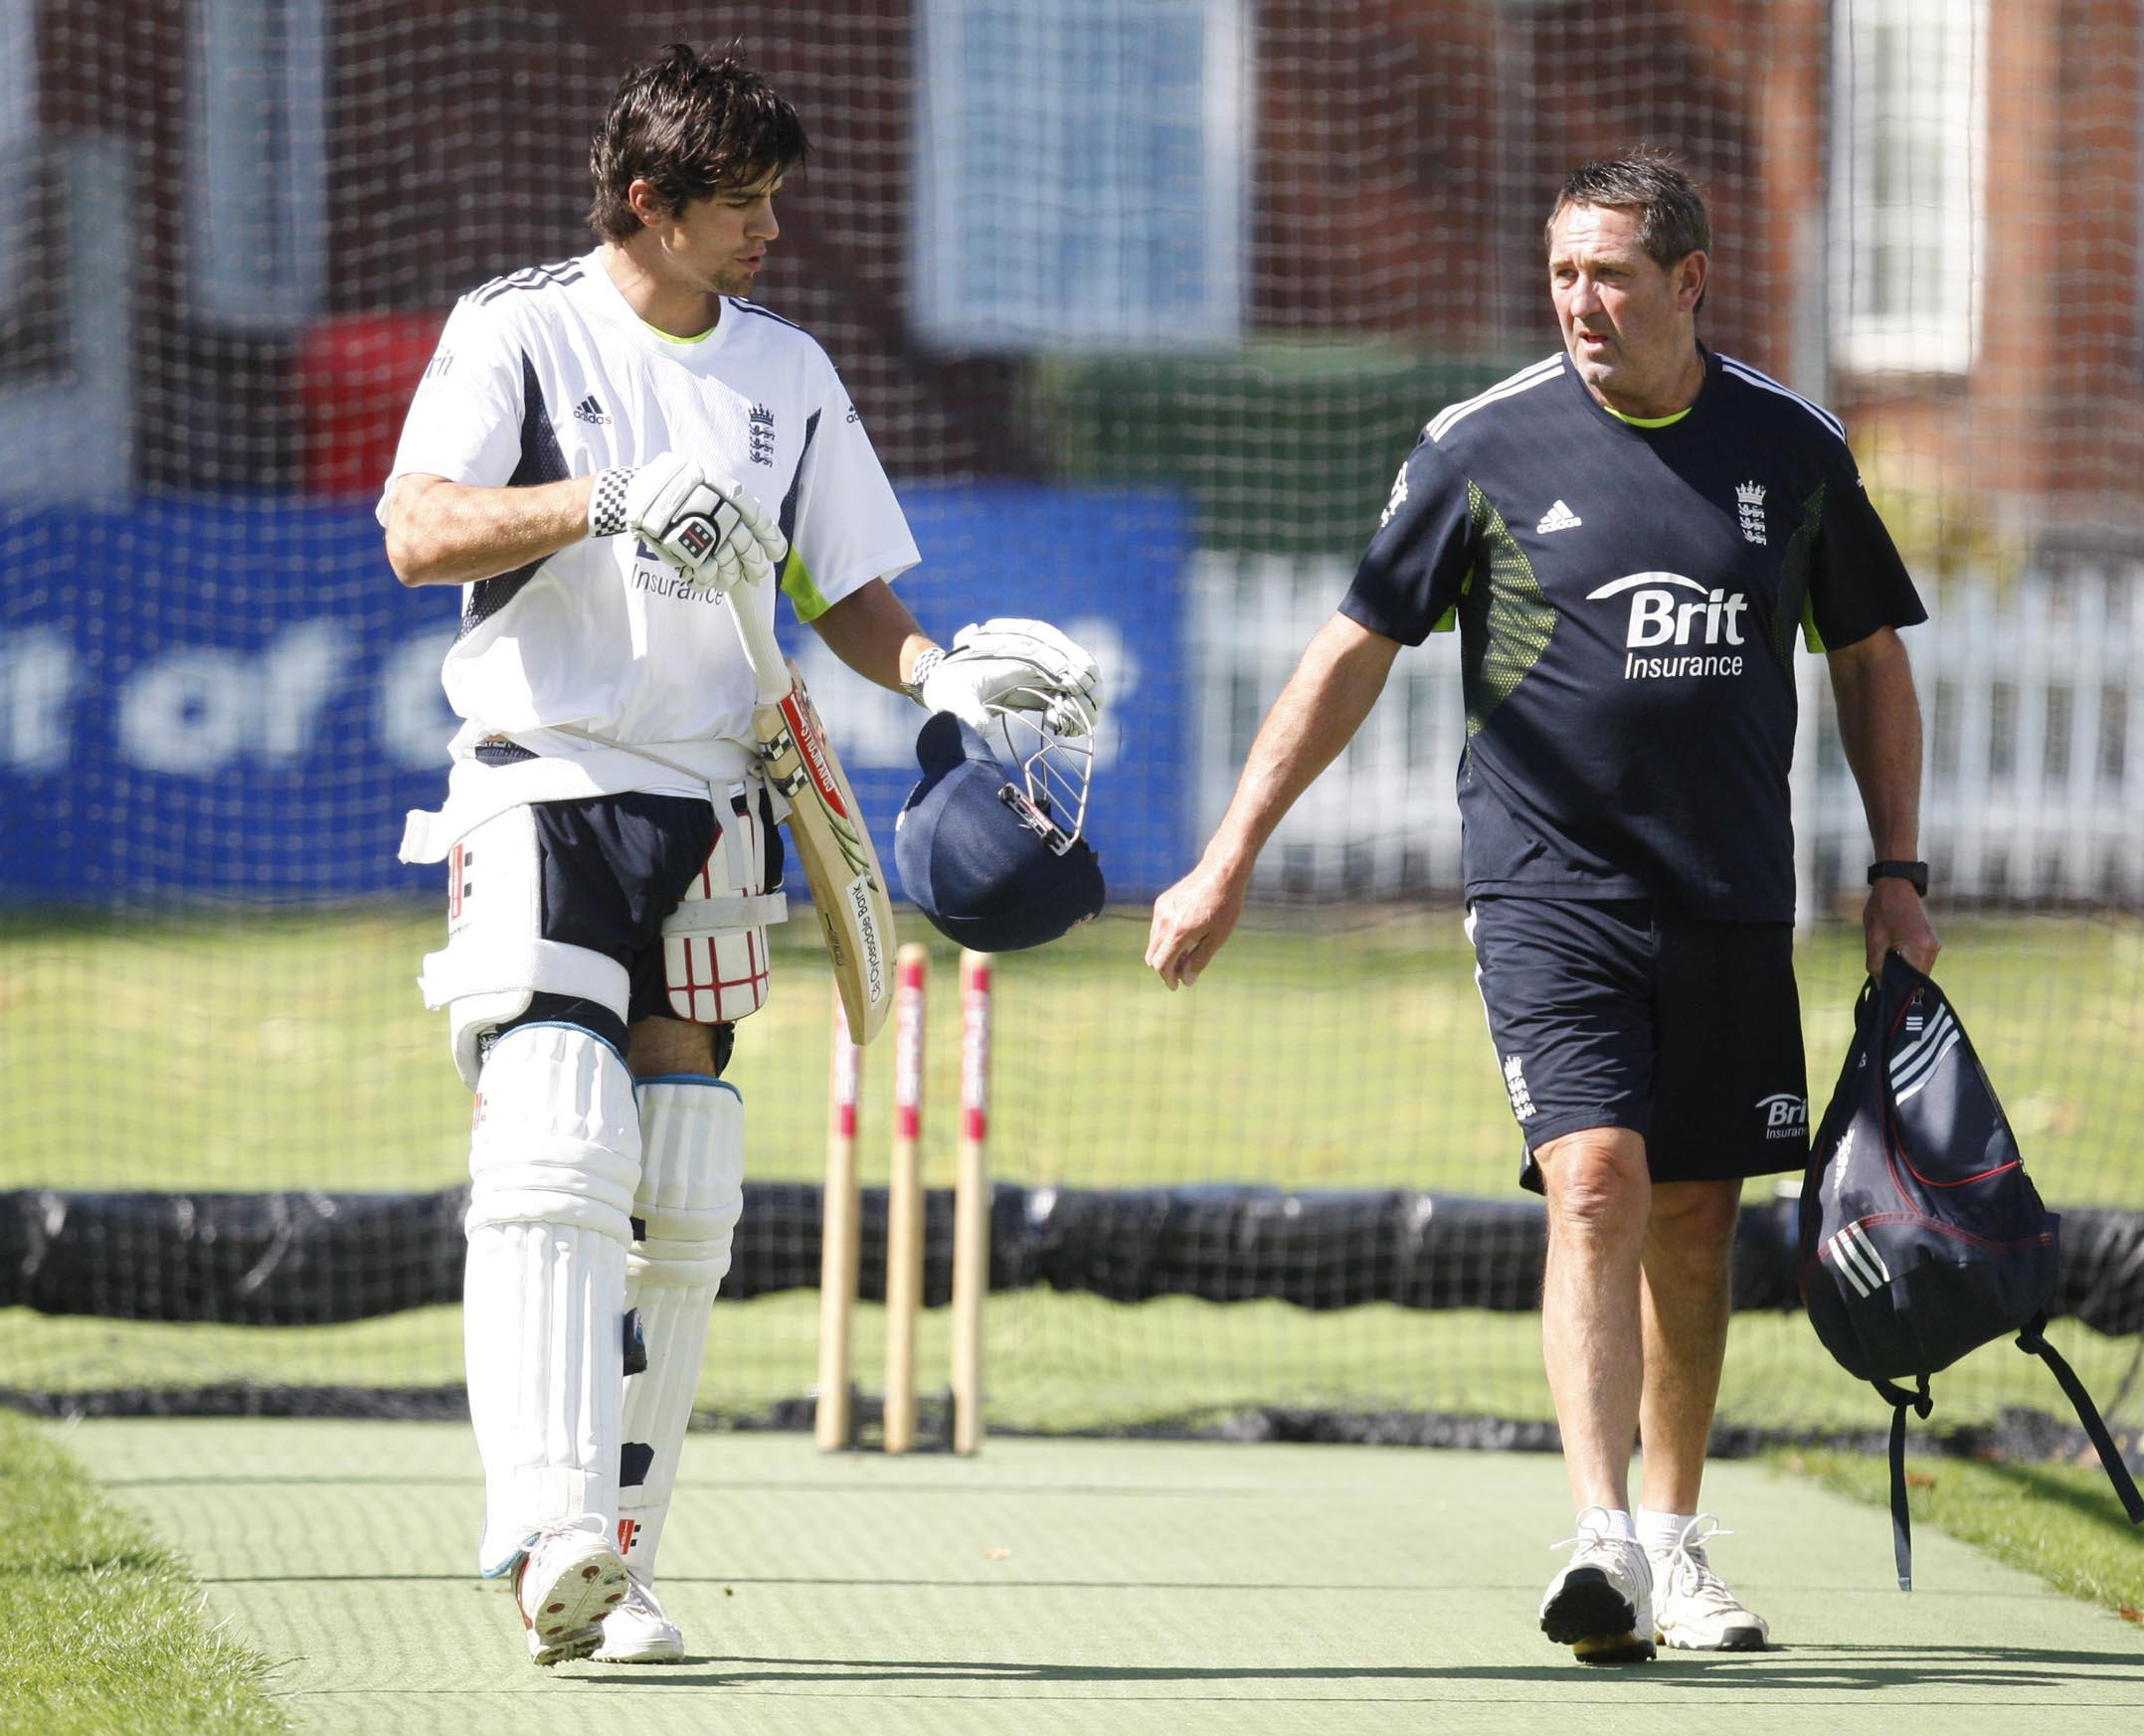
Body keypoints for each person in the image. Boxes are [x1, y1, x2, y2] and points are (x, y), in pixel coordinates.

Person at [1147, 150, 1938, 1664]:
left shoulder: (1793, 448)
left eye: (1612, 276)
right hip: (1545, 890)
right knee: (1594, 1180)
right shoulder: (1480, 448)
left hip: (1728, 898)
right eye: (1563, 271)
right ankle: (1597, 1539)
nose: (1581, 302)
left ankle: (1678, 1538)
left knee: (1700, 1217)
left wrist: (1897, 872)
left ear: (1688, 282)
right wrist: (1227, 857)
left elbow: (1872, 658)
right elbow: (1351, 654)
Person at [379, 43, 1097, 1667]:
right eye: (743, 204)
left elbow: (844, 584)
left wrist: (939, 673)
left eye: (773, 199)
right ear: (651, 202)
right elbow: (417, 527)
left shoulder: (785, 368)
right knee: (556, 1143)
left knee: (684, 1189)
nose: (770, 230)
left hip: (718, 798)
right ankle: (542, 1517)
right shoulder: (522, 327)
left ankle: (616, 1562)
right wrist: (605, 502)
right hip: (542, 781)